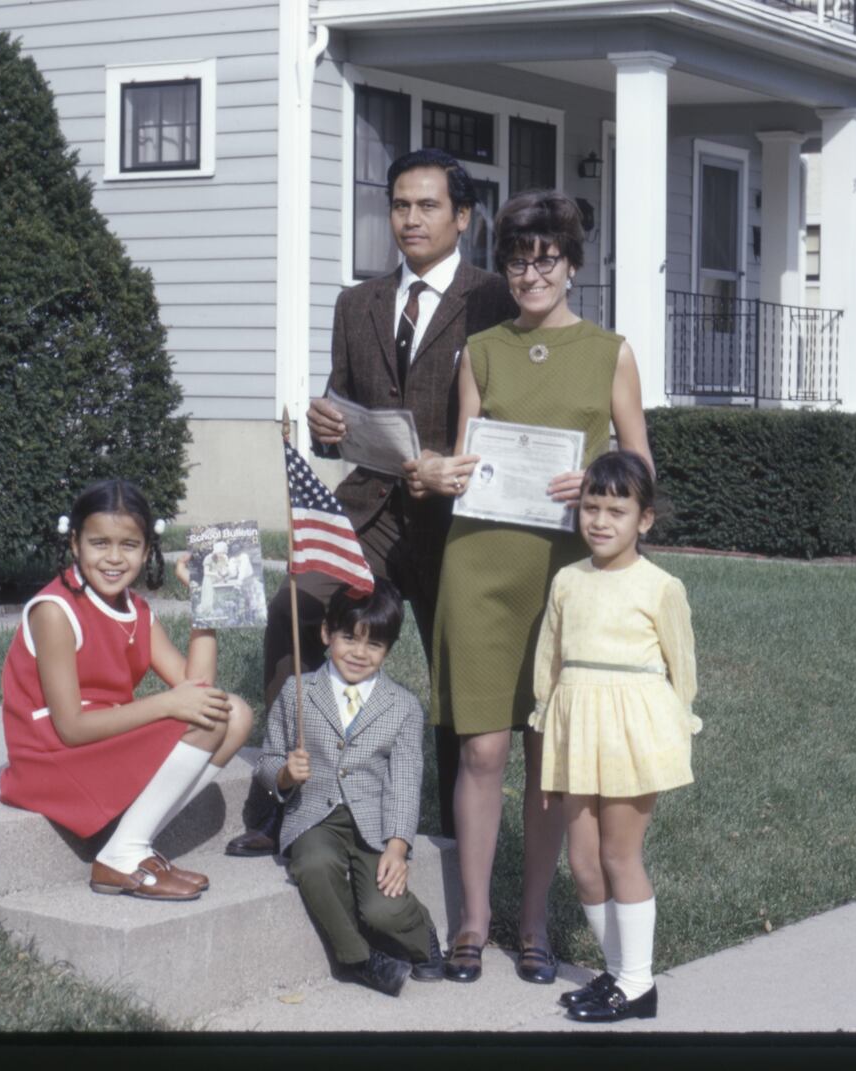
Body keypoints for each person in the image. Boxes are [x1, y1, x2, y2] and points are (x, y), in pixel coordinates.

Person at [225, 148, 518, 856]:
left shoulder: (496, 301)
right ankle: (284, 796)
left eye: (427, 206)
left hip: (456, 517)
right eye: (399, 205)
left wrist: (452, 465)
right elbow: (344, 413)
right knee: (296, 604)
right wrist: (329, 424)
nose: (410, 219)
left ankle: (453, 836)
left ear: (464, 217)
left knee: (458, 660)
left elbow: (512, 421)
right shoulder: (356, 303)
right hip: (369, 511)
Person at [409, 189, 653, 984]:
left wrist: (599, 481)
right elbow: (463, 452)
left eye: (546, 257)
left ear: (574, 267)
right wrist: (441, 469)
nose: (530, 272)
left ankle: (537, 923)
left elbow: (641, 464)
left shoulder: (610, 351)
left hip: (563, 579)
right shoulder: (479, 351)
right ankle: (474, 923)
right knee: (481, 749)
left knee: (549, 758)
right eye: (518, 258)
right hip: (479, 566)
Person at [0, 479, 254, 900]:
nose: (114, 558)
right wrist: (167, 704)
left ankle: (132, 841)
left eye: (129, 545)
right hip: (51, 758)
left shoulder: (135, 608)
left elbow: (198, 687)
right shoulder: (55, 611)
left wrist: (203, 604)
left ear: (147, 550)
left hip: (101, 744)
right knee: (207, 713)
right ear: (75, 543)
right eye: (99, 543)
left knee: (235, 712)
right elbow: (71, 728)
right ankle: (122, 855)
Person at [531, 451, 700, 1023]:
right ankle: (619, 973)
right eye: (590, 509)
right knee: (581, 860)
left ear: (644, 520)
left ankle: (637, 984)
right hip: (577, 731)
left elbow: (683, 670)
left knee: (617, 854)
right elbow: (549, 667)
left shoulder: (660, 587)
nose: (600, 522)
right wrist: (548, 737)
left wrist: (673, 729)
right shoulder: (567, 581)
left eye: (616, 511)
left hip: (631, 734)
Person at [255, 580, 445, 995]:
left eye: (374, 645)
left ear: (390, 649)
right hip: (314, 817)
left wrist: (397, 846)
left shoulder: (403, 706)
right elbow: (267, 764)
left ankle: (421, 934)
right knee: (314, 865)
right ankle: (359, 960)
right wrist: (285, 774)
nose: (359, 653)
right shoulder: (297, 692)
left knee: (383, 909)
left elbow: (405, 783)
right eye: (348, 639)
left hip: (373, 823)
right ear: (326, 633)